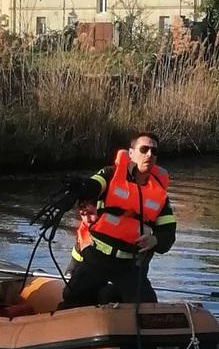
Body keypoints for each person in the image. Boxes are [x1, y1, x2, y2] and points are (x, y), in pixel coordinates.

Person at [58, 132, 176, 309]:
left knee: (148, 308)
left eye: (154, 151)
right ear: (131, 153)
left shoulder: (160, 196)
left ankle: (109, 297)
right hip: (98, 257)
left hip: (128, 264)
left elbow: (168, 233)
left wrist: (155, 240)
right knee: (72, 298)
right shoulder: (110, 174)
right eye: (144, 149)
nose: (149, 155)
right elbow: (94, 186)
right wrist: (80, 186)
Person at [65, 200, 99, 276]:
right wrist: (69, 274)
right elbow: (73, 265)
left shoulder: (114, 234)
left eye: (91, 213)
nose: (87, 219)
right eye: (83, 214)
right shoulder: (82, 235)